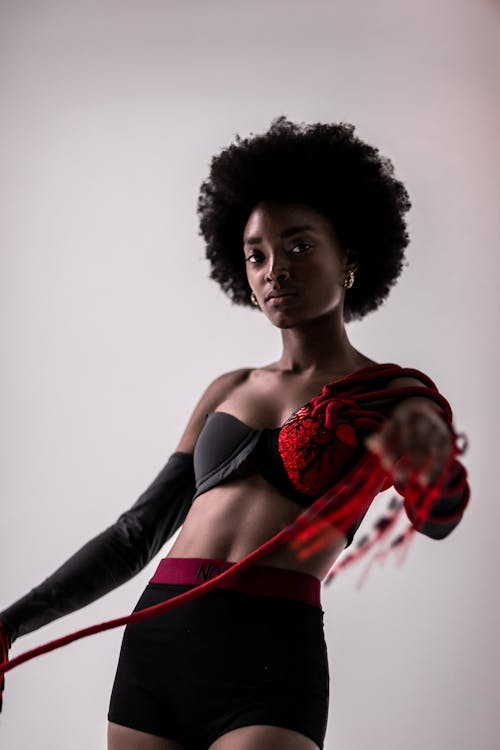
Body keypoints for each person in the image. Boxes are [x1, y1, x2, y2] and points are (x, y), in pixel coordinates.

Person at [0, 117, 470, 750]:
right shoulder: (227, 389)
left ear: (350, 257)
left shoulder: (392, 396)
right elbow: (137, 534)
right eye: (258, 254)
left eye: (300, 246)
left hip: (271, 655)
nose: (275, 269)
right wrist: (10, 624)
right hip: (155, 646)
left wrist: (433, 473)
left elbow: (435, 518)